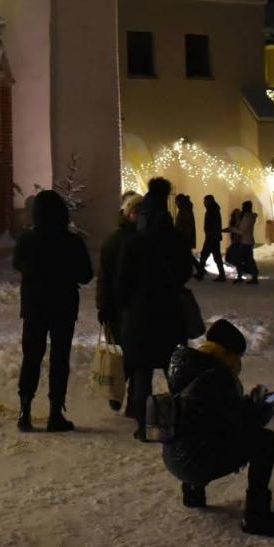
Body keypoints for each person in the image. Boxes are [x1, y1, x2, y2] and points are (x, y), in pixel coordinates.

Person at [164, 319, 274, 536]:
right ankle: (256, 515)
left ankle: (193, 493)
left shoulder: (187, 366)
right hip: (197, 462)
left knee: (198, 430)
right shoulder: (218, 376)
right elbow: (238, 427)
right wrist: (262, 409)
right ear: (228, 354)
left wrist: (246, 404)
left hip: (174, 457)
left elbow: (211, 413)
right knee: (265, 440)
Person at [117, 177, 196, 442]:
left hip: (140, 314)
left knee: (142, 371)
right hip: (170, 312)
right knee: (175, 370)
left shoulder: (134, 243)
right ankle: (179, 419)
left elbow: (122, 282)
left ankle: (143, 425)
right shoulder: (175, 240)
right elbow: (186, 272)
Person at [13, 189, 94, 432]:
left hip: (34, 306)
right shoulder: (71, 241)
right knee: (60, 359)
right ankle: (54, 413)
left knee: (31, 357)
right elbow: (86, 274)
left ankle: (25, 411)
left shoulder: (27, 240)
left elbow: (18, 264)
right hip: (63, 306)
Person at [96, 192, 142, 412]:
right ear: (127, 213)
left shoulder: (142, 239)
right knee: (121, 352)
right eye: (136, 212)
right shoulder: (115, 241)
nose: (139, 216)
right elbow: (104, 276)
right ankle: (118, 391)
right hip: (117, 306)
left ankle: (130, 396)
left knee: (134, 352)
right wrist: (103, 305)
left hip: (136, 305)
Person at [196, 194, 226, 281]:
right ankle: (220, 274)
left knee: (206, 255)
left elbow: (212, 224)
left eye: (205, 201)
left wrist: (210, 234)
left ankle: (201, 272)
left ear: (209, 201)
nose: (204, 203)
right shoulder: (213, 209)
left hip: (212, 237)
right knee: (214, 256)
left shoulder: (212, 210)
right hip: (213, 236)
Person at [233, 200, 260, 284]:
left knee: (238, 259)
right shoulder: (251, 217)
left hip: (245, 241)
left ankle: (241, 276)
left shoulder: (246, 217)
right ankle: (254, 276)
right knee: (249, 259)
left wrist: (231, 229)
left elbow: (241, 230)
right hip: (249, 241)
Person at [174, 193, 198, 263]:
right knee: (187, 255)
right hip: (184, 237)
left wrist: (182, 235)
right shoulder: (185, 209)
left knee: (185, 255)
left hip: (184, 237)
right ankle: (199, 269)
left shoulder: (185, 210)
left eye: (177, 202)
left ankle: (198, 269)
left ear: (180, 201)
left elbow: (186, 225)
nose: (176, 204)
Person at [223, 206, 244, 280]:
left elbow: (235, 230)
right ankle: (240, 271)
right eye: (236, 214)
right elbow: (232, 229)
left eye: (238, 214)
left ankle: (240, 273)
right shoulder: (235, 222)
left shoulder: (240, 222)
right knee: (231, 258)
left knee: (232, 258)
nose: (237, 215)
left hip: (237, 242)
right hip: (235, 242)